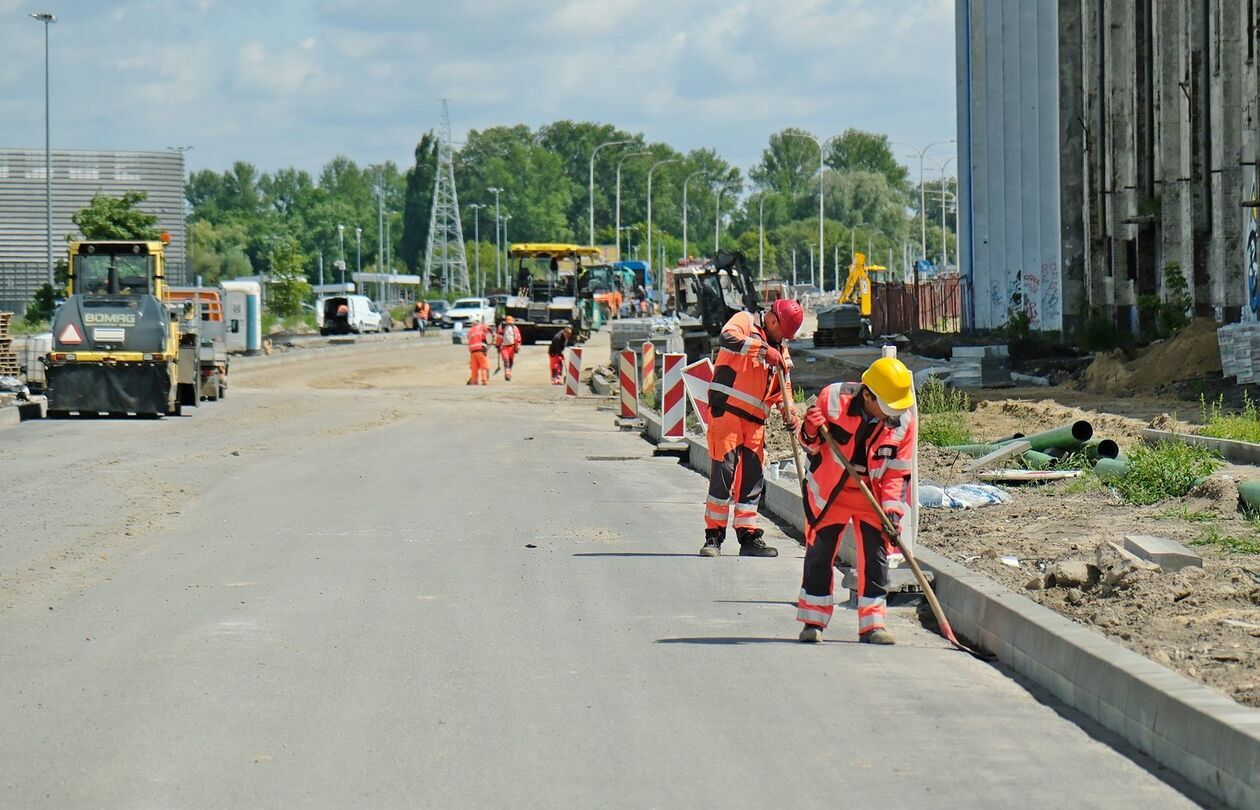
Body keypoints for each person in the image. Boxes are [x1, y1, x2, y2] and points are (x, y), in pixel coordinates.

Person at [794, 356, 916, 646]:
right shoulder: (833, 398)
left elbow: (897, 475)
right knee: (820, 554)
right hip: (830, 491)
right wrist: (809, 430)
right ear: (868, 394)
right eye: (886, 407)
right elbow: (810, 446)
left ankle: (873, 625)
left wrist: (893, 514)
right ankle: (813, 622)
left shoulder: (902, 423)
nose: (891, 415)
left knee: (876, 558)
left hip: (870, 495)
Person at [700, 299, 804, 558]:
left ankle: (747, 535)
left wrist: (790, 413)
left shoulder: (781, 349)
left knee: (752, 480)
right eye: (781, 332)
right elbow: (727, 338)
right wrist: (762, 349)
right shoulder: (745, 321)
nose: (782, 338)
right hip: (728, 413)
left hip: (755, 422)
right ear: (772, 320)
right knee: (723, 475)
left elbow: (784, 387)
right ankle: (713, 536)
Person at [466, 315, 491, 386]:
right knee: (484, 366)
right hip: (481, 350)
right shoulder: (482, 327)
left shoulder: (470, 331)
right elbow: (489, 329)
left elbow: (469, 339)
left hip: (472, 352)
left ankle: (474, 381)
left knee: (474, 368)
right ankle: (484, 380)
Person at [497, 315, 521, 382]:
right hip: (504, 347)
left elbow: (518, 338)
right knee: (506, 360)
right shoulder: (502, 328)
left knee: (510, 361)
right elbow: (499, 337)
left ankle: (508, 373)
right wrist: (498, 345)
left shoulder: (515, 328)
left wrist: (517, 346)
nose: (509, 323)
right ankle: (507, 374)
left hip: (512, 347)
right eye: (508, 322)